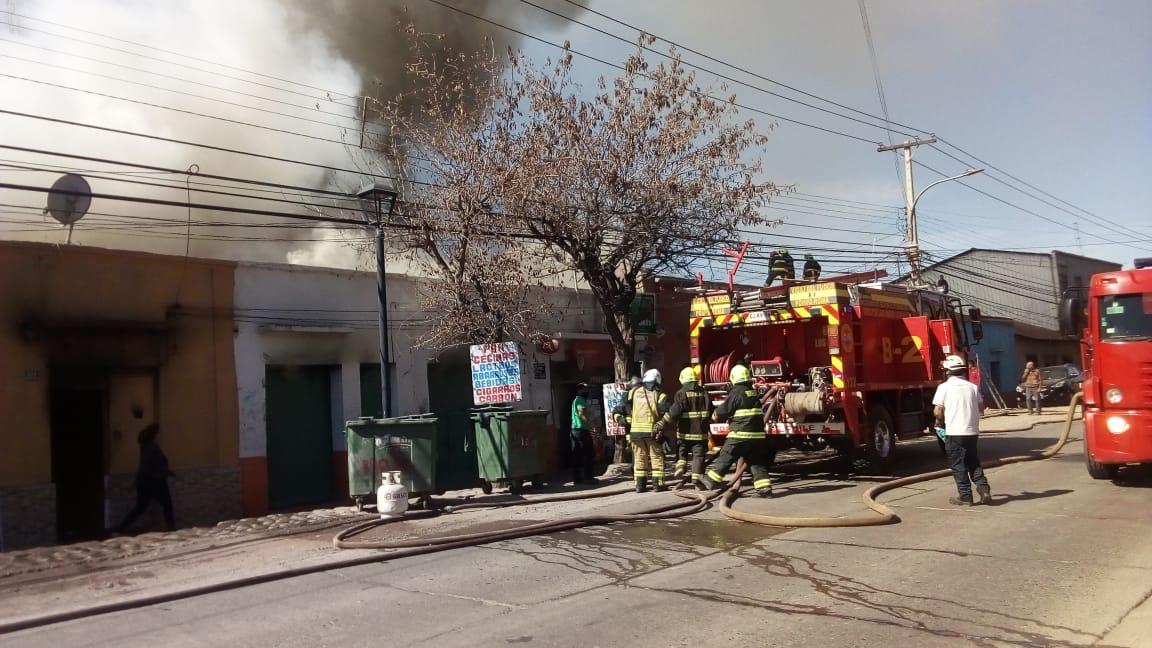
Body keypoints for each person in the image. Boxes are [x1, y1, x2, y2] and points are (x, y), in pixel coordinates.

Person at [700, 364, 774, 497]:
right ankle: (764, 488)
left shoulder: (736, 393)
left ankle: (711, 480)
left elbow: (724, 410)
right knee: (757, 462)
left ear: (733, 378)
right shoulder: (752, 393)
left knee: (726, 455)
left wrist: (714, 416)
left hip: (740, 435)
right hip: (757, 437)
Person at [933, 355, 992, 506]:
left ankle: (965, 496)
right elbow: (981, 408)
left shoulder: (944, 387)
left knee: (958, 464)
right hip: (972, 432)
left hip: (954, 432)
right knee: (973, 461)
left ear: (948, 372)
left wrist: (939, 423)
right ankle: (984, 490)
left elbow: (938, 411)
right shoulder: (972, 387)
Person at [655, 367, 711, 484]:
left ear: (682, 379)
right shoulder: (704, 393)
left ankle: (681, 466)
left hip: (685, 433)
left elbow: (674, 411)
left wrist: (661, 423)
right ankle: (696, 479)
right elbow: (711, 411)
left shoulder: (681, 393)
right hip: (701, 434)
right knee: (698, 456)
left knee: (682, 451)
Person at [117, 423, 176, 532]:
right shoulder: (151, 448)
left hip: (148, 481)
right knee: (166, 505)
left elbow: (149, 465)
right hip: (154, 481)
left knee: (141, 507)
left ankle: (121, 527)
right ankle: (171, 529)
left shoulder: (147, 447)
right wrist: (166, 472)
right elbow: (152, 465)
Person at [620, 369, 669, 492]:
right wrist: (661, 425)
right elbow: (668, 412)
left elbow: (623, 407)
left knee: (639, 458)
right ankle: (658, 485)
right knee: (656, 458)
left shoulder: (633, 392)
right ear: (657, 379)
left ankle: (640, 486)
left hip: (635, 433)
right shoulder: (659, 394)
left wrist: (622, 420)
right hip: (652, 432)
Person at [570, 383, 598, 484]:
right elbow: (581, 413)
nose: (587, 391)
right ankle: (588, 477)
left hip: (575, 430)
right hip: (581, 430)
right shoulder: (580, 400)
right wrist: (590, 424)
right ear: (579, 390)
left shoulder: (576, 400)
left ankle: (577, 479)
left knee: (577, 455)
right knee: (589, 454)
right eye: (585, 389)